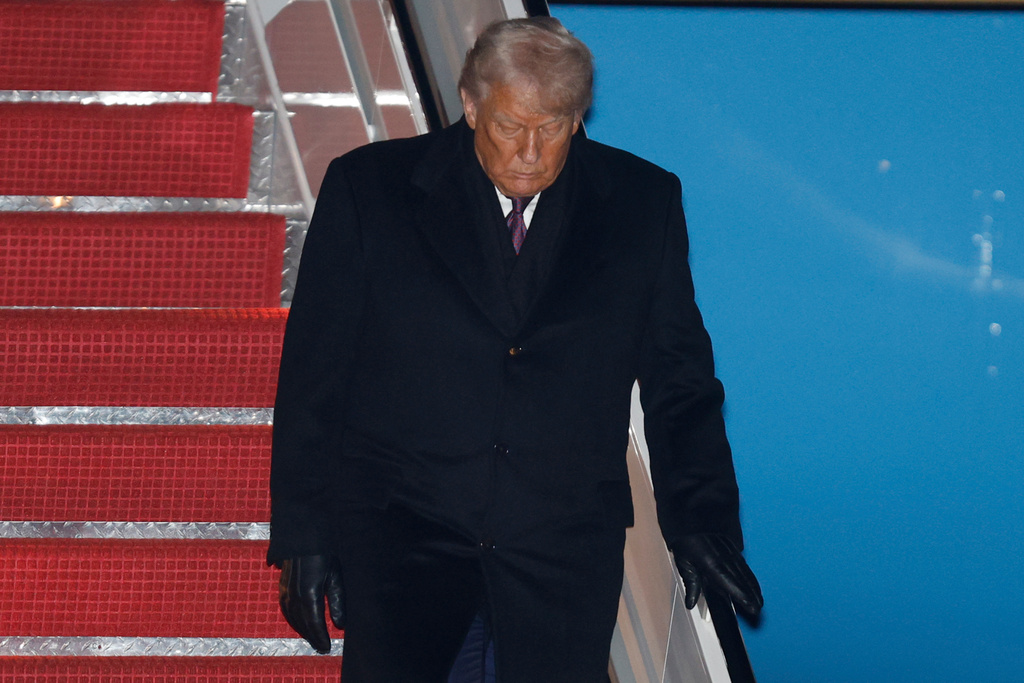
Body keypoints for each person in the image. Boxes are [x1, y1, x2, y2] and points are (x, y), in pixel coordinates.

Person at [268, 17, 762, 683]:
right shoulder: (371, 190)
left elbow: (680, 378)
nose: (530, 151)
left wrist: (699, 517)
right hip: (404, 545)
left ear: (578, 117)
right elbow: (315, 374)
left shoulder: (642, 203)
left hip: (560, 557)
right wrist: (305, 532)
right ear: (471, 105)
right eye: (509, 126)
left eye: (552, 127)